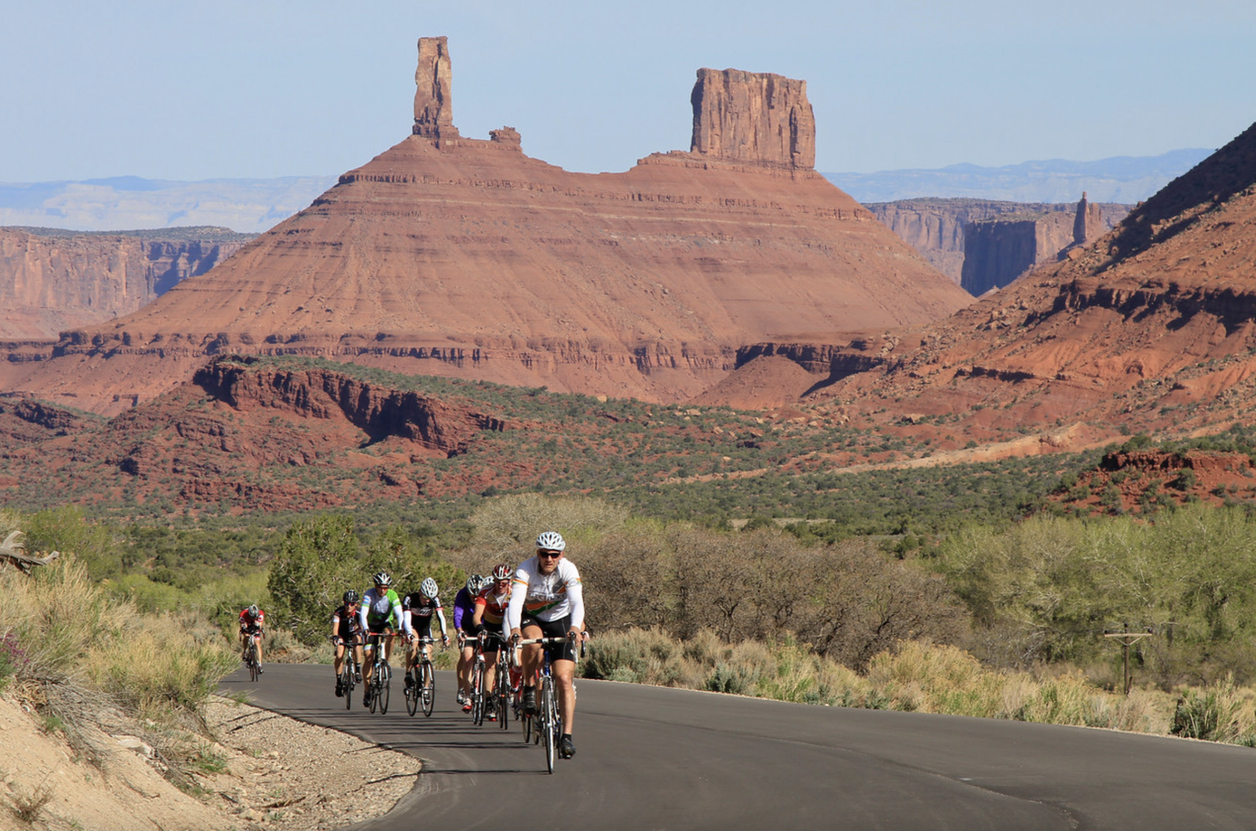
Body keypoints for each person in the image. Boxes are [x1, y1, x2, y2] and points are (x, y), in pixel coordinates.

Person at [507, 531, 584, 759]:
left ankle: (567, 737)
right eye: (544, 554)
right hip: (534, 618)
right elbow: (516, 601)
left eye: (554, 554)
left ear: (561, 555)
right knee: (532, 644)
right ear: (537, 553)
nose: (549, 559)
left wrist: (576, 627)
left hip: (561, 620)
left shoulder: (568, 569)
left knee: (564, 679)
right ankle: (529, 687)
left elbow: (577, 601)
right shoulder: (525, 569)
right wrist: (514, 629)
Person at [471, 563, 513, 720]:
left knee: (516, 660)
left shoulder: (515, 591)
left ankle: (513, 688)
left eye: (504, 583)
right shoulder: (485, 592)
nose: (500, 586)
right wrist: (481, 629)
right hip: (490, 627)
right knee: (490, 663)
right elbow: (476, 616)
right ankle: (489, 700)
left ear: (509, 581)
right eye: (497, 582)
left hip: (509, 625)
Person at [358, 572, 403, 706]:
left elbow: (399, 613)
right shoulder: (369, 594)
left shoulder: (392, 595)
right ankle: (367, 691)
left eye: (385, 587)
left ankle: (386, 662)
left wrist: (401, 628)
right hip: (370, 625)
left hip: (384, 623)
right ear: (375, 586)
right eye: (380, 587)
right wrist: (365, 628)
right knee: (368, 656)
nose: (383, 590)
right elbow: (363, 614)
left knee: (390, 635)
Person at [402, 577, 450, 690]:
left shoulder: (435, 600)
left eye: (430, 598)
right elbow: (407, 619)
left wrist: (445, 635)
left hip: (425, 628)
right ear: (420, 592)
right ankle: (408, 673)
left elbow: (441, 617)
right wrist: (408, 633)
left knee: (428, 653)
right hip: (412, 627)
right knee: (413, 644)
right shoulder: (410, 599)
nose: (427, 600)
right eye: (425, 597)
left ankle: (426, 688)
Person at [452, 574, 484, 711]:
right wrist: (459, 630)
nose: (474, 598)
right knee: (467, 659)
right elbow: (457, 614)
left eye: (477, 596)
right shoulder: (462, 594)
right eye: (472, 596)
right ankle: (467, 695)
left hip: (481, 627)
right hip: (466, 628)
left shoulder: (485, 594)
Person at [330, 590, 365, 697]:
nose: (348, 607)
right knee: (339, 655)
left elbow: (362, 627)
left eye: (352, 604)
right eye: (346, 604)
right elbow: (335, 628)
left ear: (356, 604)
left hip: (354, 634)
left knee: (357, 641)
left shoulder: (359, 612)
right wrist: (335, 636)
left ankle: (358, 669)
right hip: (342, 635)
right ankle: (339, 680)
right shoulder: (339, 612)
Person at [239, 604, 265, 673]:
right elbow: (242, 625)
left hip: (255, 626)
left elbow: (260, 625)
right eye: (251, 617)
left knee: (257, 643)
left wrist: (258, 626)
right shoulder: (243, 614)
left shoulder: (261, 614)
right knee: (246, 636)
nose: (253, 618)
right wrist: (244, 628)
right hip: (247, 625)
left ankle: (259, 664)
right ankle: (245, 651)